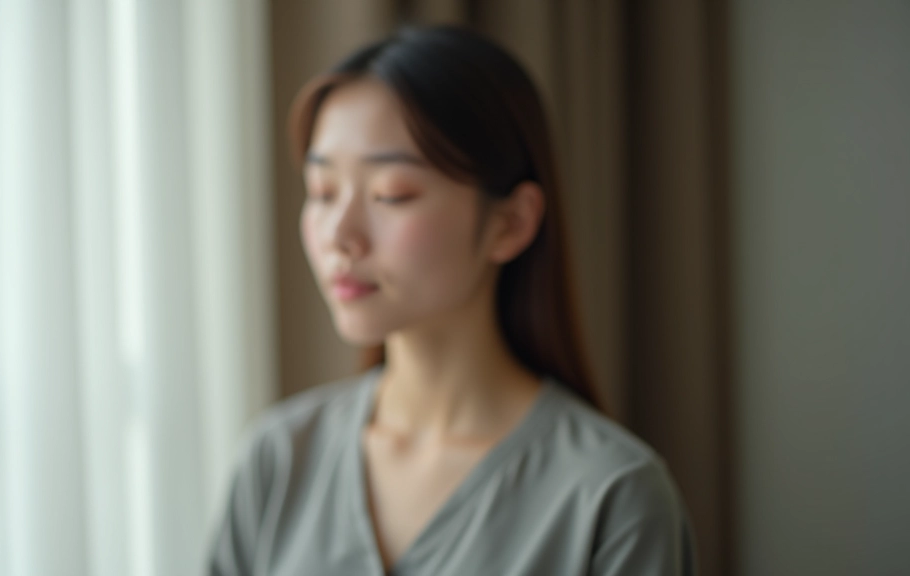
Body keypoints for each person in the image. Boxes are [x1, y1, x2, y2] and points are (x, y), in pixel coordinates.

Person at [208, 25, 695, 576]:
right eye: (322, 193)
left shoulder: (612, 497)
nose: (339, 234)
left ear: (510, 223)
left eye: (391, 194)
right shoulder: (278, 460)